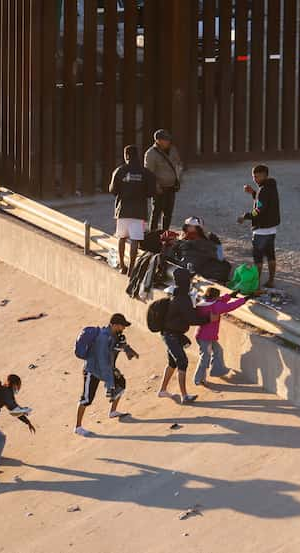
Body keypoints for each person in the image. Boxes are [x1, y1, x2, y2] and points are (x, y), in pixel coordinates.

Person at [75, 313, 139, 437]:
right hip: (92, 370)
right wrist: (109, 383)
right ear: (114, 325)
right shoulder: (103, 338)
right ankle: (78, 427)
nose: (124, 328)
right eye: (122, 326)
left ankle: (113, 411)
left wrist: (128, 349)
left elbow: (119, 345)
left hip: (106, 369)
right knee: (87, 399)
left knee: (121, 384)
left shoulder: (114, 335)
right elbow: (102, 361)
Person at [157, 268, 215, 404]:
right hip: (171, 335)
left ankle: (163, 390)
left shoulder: (176, 294)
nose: (191, 282)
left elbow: (188, 313)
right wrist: (208, 319)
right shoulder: (182, 298)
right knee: (182, 361)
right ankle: (184, 396)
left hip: (171, 334)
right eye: (189, 279)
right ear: (184, 281)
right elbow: (192, 319)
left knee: (173, 362)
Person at [109, 145, 157, 274]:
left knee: (122, 237)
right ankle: (132, 267)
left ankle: (122, 265)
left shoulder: (120, 171)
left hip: (123, 209)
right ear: (138, 156)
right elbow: (152, 191)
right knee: (135, 239)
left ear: (126, 156)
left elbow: (112, 190)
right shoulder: (146, 173)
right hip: (139, 210)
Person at [193, 287, 247, 386]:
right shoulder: (216, 306)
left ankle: (216, 371)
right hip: (206, 337)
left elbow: (220, 300)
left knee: (218, 351)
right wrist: (245, 299)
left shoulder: (204, 301)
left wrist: (230, 295)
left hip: (204, 335)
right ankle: (198, 379)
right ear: (215, 297)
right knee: (205, 358)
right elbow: (230, 306)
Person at [238, 165, 281, 288]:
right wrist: (253, 193)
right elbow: (264, 201)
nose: (254, 179)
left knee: (258, 259)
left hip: (261, 230)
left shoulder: (263, 190)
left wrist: (245, 216)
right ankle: (271, 281)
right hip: (272, 229)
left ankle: (255, 285)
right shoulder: (271, 187)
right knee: (271, 255)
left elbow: (259, 209)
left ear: (263, 175)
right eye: (253, 176)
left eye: (256, 176)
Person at [145, 129, 182, 232]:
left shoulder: (173, 150)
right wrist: (156, 187)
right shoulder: (151, 153)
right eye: (165, 140)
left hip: (171, 187)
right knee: (156, 212)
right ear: (158, 141)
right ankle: (153, 234)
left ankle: (165, 234)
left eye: (168, 139)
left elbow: (178, 163)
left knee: (168, 213)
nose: (168, 142)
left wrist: (178, 179)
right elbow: (149, 173)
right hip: (159, 189)